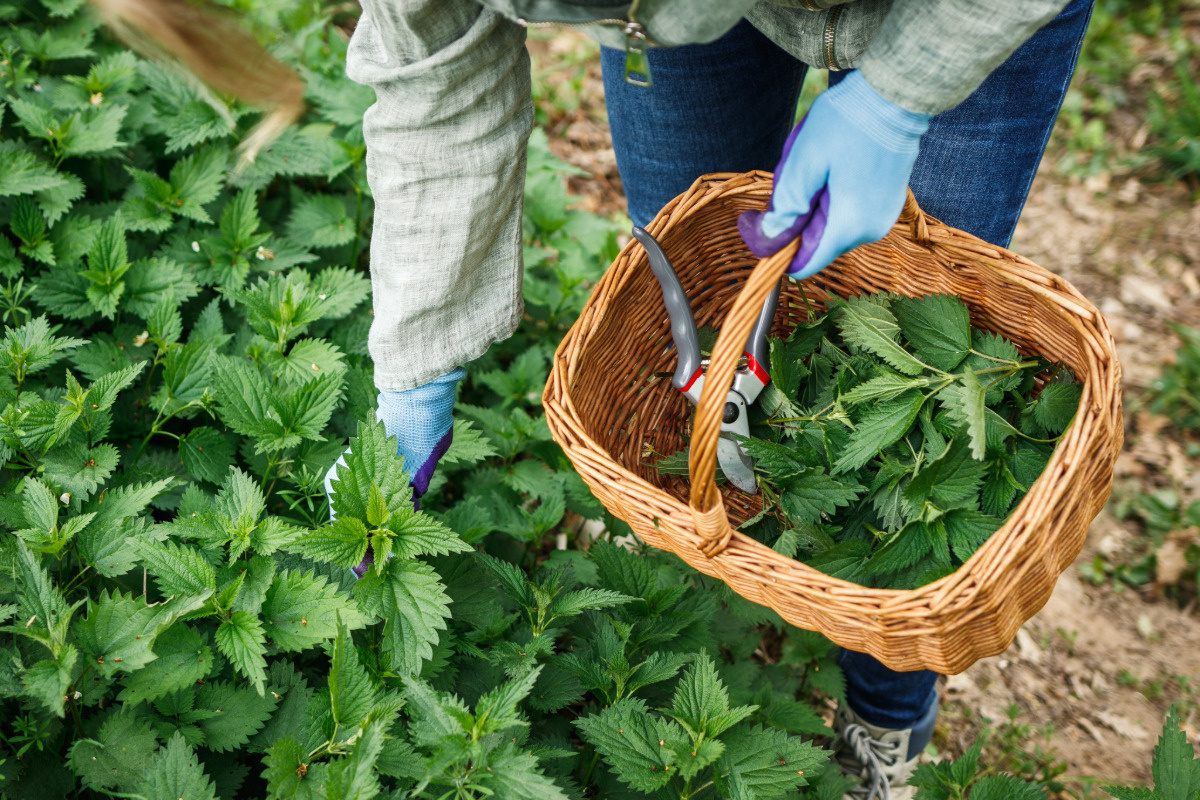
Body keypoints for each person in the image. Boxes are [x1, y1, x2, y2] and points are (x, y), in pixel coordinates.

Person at [95, 0, 1093, 796]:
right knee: (694, 336)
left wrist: (900, 95)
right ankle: (710, 576)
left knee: (936, 347)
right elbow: (437, 80)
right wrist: (418, 367)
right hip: (686, 19)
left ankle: (885, 709)